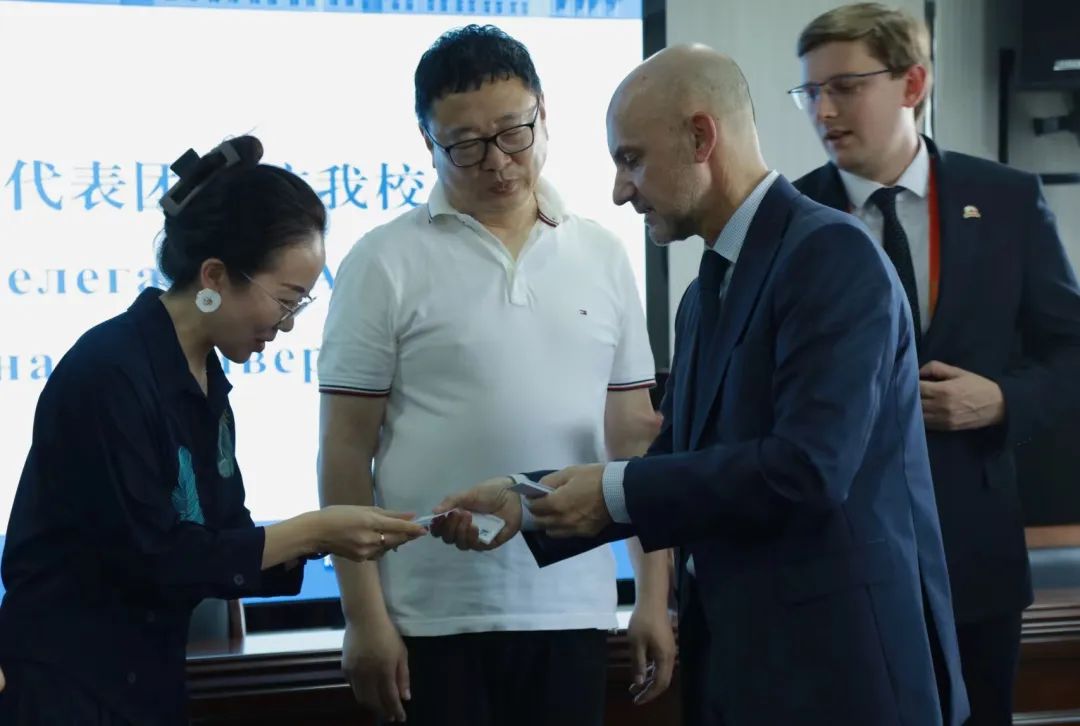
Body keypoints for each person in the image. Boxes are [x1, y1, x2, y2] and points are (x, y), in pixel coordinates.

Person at [432, 44, 972, 726]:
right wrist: (527, 500)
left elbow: (808, 469)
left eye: (631, 159)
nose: (620, 191)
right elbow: (679, 462)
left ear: (700, 138)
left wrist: (610, 491)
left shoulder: (829, 254)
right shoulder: (704, 293)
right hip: (744, 668)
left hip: (841, 675)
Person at [0, 136, 427, 725]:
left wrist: (333, 538)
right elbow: (155, 557)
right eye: (286, 301)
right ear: (215, 276)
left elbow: (221, 538)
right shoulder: (109, 371)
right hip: (65, 687)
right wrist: (313, 529)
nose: (287, 325)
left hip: (145, 681)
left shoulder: (206, 379)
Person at [317, 24, 673, 726]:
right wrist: (364, 617)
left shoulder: (602, 254)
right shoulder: (383, 261)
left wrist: (654, 599)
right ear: (428, 141)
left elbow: (633, 442)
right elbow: (344, 451)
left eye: (514, 132)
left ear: (544, 111)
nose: (499, 162)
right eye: (466, 145)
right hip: (430, 616)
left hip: (572, 607)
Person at [789, 5, 1080, 723]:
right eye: (810, 92)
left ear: (912, 84)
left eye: (845, 87)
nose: (824, 112)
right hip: (836, 562)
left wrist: (1003, 400)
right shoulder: (790, 216)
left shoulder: (1006, 200)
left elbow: (1072, 350)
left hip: (972, 554)